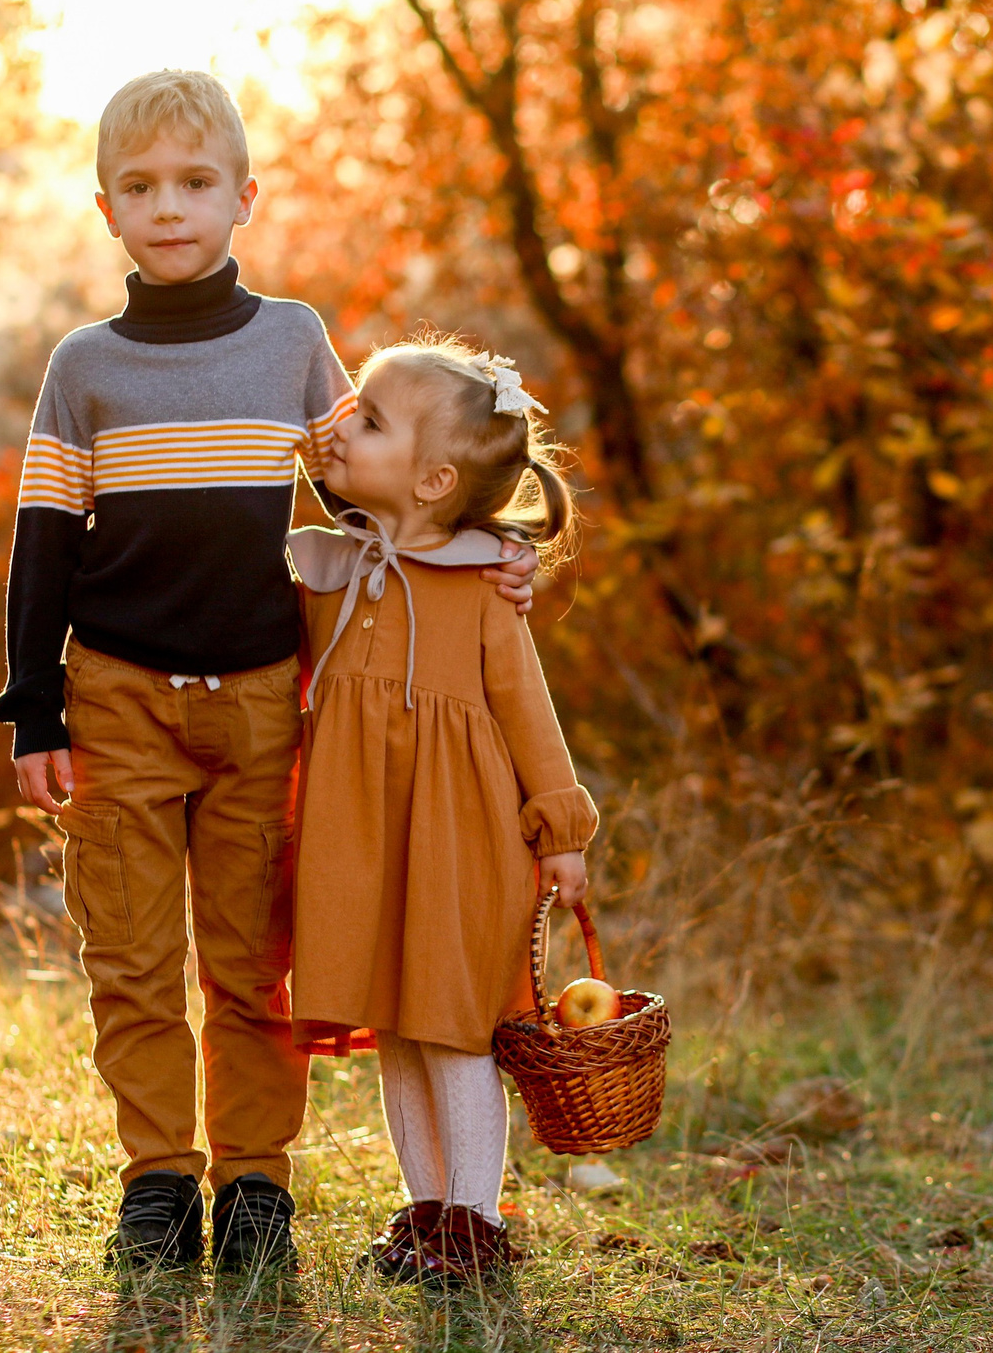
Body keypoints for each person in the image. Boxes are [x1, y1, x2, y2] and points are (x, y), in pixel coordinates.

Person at [0, 71, 535, 1273]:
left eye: (193, 183)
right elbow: (40, 545)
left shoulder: (292, 342)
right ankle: (157, 1186)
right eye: (140, 188)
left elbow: (394, 479)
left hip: (256, 706)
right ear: (105, 209)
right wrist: (33, 708)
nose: (168, 207)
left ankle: (253, 1187)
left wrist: (490, 550)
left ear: (244, 196)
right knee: (130, 961)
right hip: (117, 696)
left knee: (249, 965)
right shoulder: (84, 367)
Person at [284, 336, 599, 1286]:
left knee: (455, 1027)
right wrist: (334, 439)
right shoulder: (336, 570)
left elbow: (527, 709)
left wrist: (562, 828)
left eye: (369, 417)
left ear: (433, 481)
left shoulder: (483, 585)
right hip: (362, 843)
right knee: (398, 1028)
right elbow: (310, 464)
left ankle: (474, 1223)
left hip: (462, 841)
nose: (345, 427)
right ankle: (425, 1214)